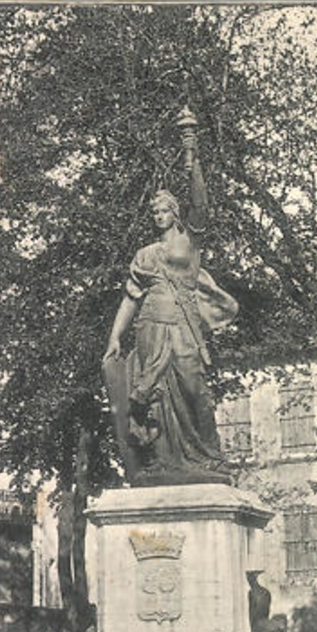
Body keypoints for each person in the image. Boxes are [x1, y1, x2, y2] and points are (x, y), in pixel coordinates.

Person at [102, 113, 238, 486]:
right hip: (150, 324)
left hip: (183, 323)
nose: (158, 215)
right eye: (154, 211)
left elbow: (202, 205)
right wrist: (116, 336)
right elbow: (131, 298)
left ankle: (209, 457)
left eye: (164, 210)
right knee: (155, 396)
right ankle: (160, 462)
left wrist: (191, 157)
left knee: (194, 388)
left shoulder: (189, 241)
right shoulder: (145, 255)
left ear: (175, 213)